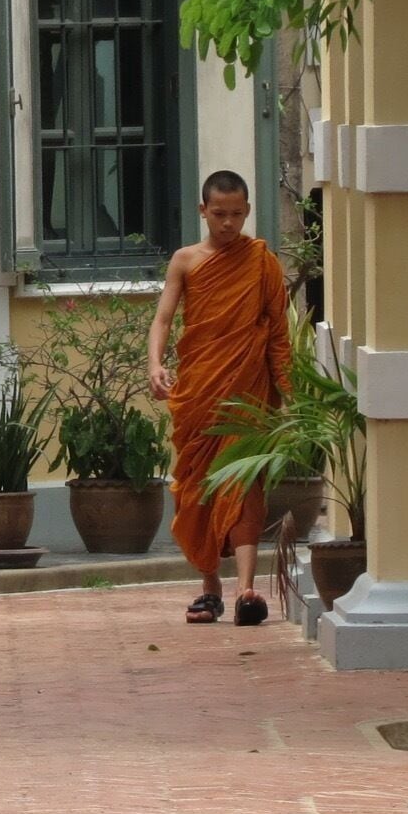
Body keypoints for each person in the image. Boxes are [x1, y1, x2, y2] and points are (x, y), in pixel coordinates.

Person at [147, 171, 292, 626]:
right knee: (197, 488)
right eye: (219, 214)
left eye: (236, 214)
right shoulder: (186, 261)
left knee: (244, 485)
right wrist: (155, 363)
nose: (228, 223)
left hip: (248, 396)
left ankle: (247, 590)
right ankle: (210, 587)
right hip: (199, 394)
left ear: (247, 211)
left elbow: (278, 333)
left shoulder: (263, 262)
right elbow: (163, 319)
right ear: (203, 211)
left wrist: (288, 394)